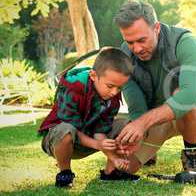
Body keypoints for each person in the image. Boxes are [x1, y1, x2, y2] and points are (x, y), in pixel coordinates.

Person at [112, 0, 196, 184]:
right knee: (121, 170)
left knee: (187, 98)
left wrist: (142, 123)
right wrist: (139, 135)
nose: (137, 49)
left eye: (142, 40)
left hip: (191, 115)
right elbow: (136, 107)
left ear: (156, 28)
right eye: (130, 42)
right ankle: (150, 153)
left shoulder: (185, 42)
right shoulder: (125, 54)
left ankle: (192, 158)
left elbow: (189, 97)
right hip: (154, 118)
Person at [38, 47, 138, 188]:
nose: (114, 92)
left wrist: (114, 158)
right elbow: (69, 127)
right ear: (93, 75)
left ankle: (111, 171)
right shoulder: (74, 86)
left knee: (127, 125)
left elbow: (100, 131)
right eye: (110, 86)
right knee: (66, 129)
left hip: (89, 139)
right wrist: (98, 144)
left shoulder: (112, 96)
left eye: (120, 88)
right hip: (59, 141)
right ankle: (65, 173)